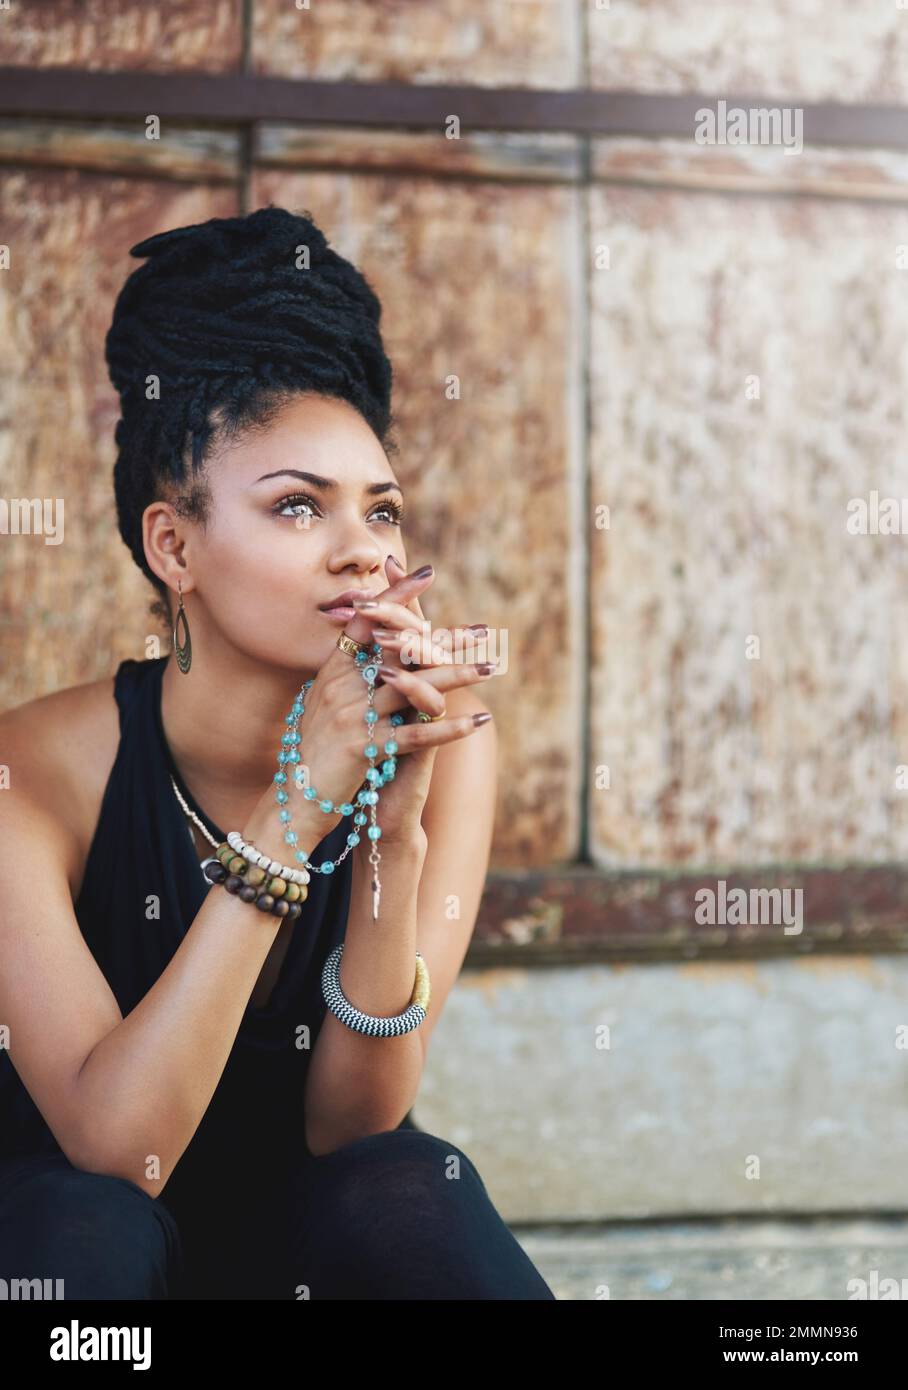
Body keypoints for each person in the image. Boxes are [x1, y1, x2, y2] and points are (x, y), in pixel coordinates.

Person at [0, 205, 556, 1300]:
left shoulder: (445, 742)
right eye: (297, 507)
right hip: (69, 1258)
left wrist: (391, 828)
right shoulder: (33, 775)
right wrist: (296, 812)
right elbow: (124, 1154)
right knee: (86, 1227)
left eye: (382, 511)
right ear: (175, 545)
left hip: (287, 1254)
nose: (362, 550)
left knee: (410, 1182)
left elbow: (353, 1122)